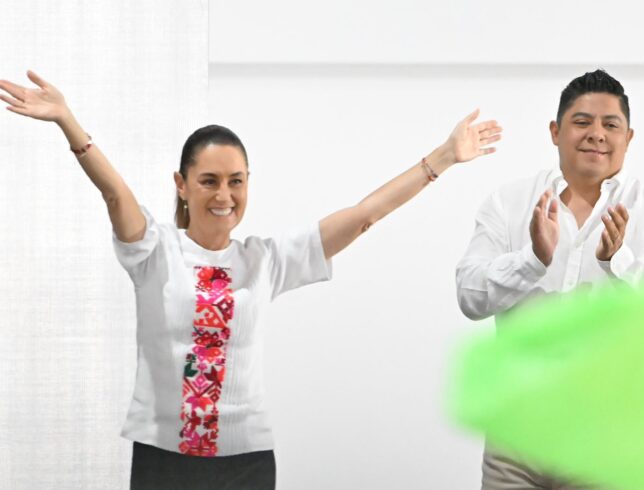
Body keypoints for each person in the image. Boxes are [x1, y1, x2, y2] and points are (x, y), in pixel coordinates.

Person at [0, 70, 502, 490]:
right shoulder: (154, 250)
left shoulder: (266, 260)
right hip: (163, 462)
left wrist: (443, 157)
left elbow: (364, 215)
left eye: (236, 181)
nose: (224, 195)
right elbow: (115, 194)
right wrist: (67, 121)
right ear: (181, 185)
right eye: (209, 181)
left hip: (247, 464)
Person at [455, 69, 644, 490]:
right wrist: (532, 261)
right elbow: (469, 296)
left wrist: (620, 263)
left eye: (610, 124)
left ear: (628, 138)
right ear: (555, 131)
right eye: (582, 122)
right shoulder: (509, 203)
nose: (596, 134)